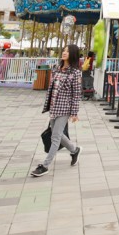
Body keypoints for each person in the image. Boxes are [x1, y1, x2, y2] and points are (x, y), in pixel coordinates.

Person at [32, 44, 82, 177]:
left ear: (73, 55)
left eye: (68, 51)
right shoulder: (56, 69)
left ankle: (45, 165)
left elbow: (76, 94)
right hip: (54, 106)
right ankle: (74, 150)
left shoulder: (75, 72)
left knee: (55, 136)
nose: (65, 53)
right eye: (64, 50)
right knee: (58, 134)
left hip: (65, 108)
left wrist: (74, 113)